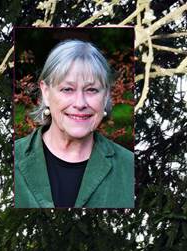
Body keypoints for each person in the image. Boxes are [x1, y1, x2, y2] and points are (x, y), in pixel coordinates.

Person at [15, 39, 134, 208]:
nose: (80, 103)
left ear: (106, 95)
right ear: (46, 92)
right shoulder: (15, 157)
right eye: (67, 89)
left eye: (91, 90)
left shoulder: (129, 166)